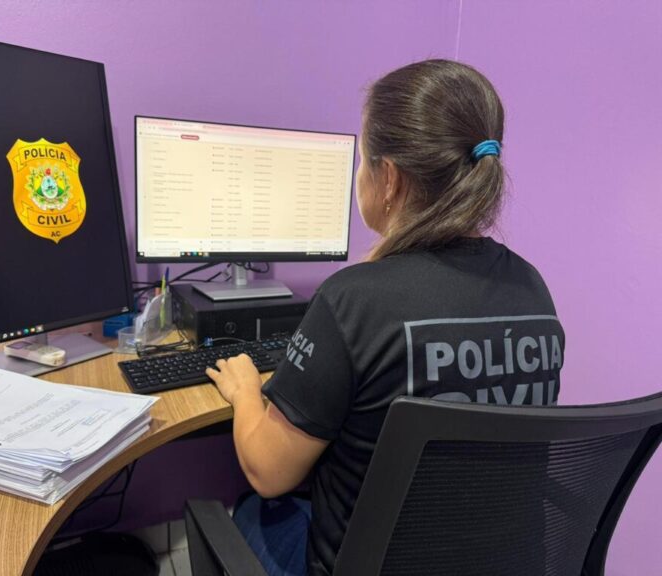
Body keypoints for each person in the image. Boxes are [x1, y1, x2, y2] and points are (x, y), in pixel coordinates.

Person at [206, 59, 565, 576]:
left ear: (389, 178)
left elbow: (268, 472)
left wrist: (244, 391)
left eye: (362, 161)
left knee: (251, 509)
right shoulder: (532, 287)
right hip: (500, 563)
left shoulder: (353, 301)